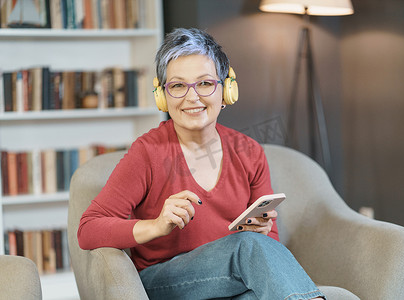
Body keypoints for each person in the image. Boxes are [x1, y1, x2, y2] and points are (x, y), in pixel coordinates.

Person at [78, 27, 325, 300]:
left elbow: (268, 248)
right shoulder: (147, 153)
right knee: (249, 248)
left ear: (227, 89)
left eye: (205, 83)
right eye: (178, 85)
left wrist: (263, 233)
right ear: (162, 95)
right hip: (164, 282)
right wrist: (157, 225)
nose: (192, 97)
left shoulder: (249, 151)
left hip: (229, 280)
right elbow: (88, 229)